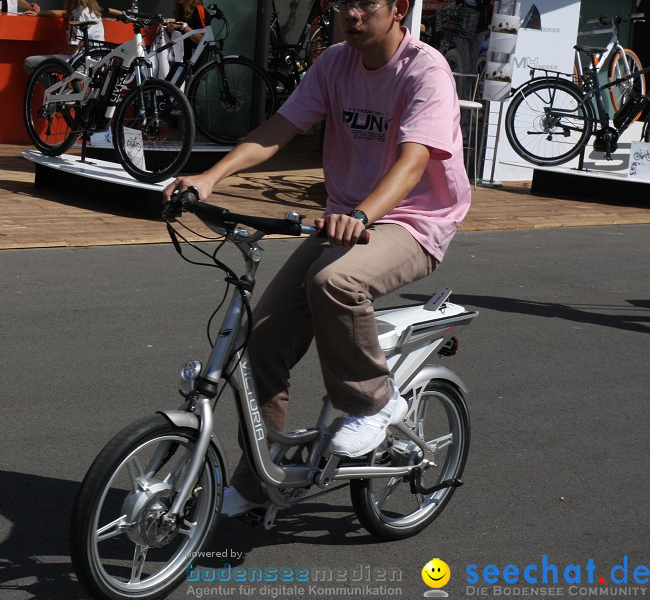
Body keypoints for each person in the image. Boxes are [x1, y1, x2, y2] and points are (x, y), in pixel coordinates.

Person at [163, 0, 471, 517]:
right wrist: (209, 177)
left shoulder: (426, 70)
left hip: (413, 221)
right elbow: (276, 132)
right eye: (341, 3)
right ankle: (259, 480)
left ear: (397, 9)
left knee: (334, 280)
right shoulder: (333, 63)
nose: (350, 14)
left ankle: (373, 401)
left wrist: (363, 214)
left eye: (364, 3)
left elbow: (413, 161)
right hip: (346, 218)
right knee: (260, 338)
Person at [23, 0, 104, 74]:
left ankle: (54, 88)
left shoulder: (77, 14)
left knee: (29, 63)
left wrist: (58, 52)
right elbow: (63, 13)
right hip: (96, 61)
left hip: (79, 62)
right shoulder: (92, 11)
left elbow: (73, 49)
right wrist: (39, 13)